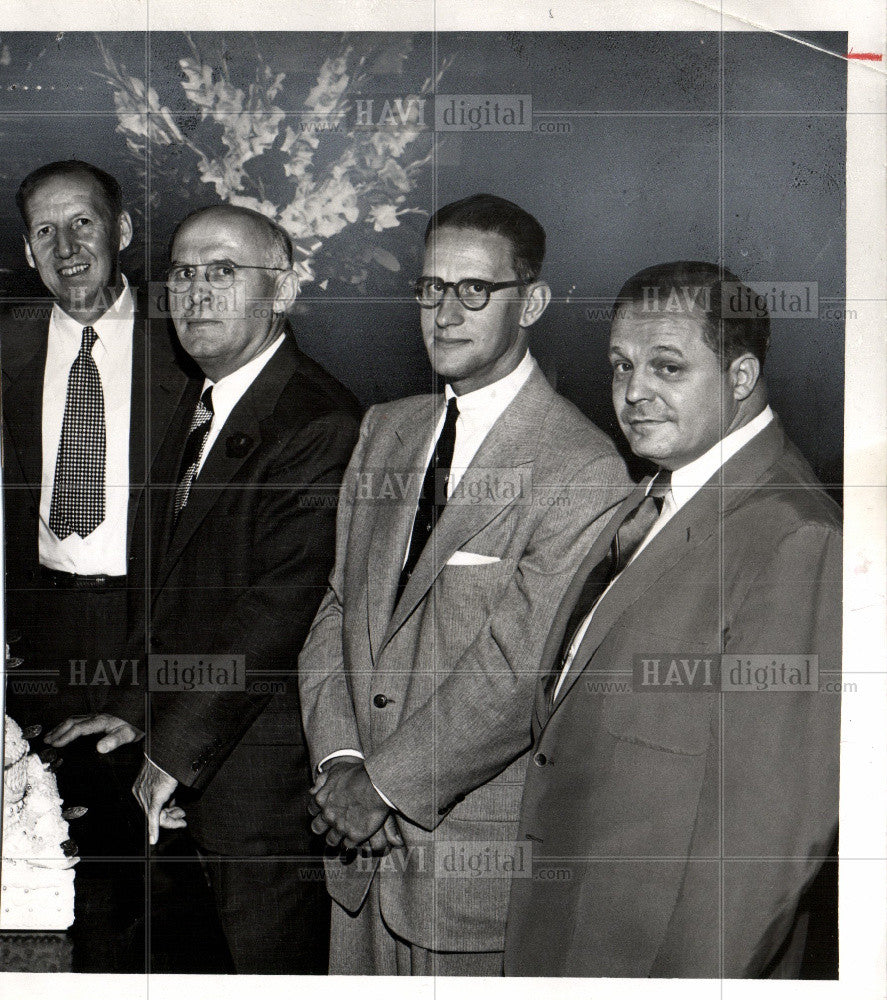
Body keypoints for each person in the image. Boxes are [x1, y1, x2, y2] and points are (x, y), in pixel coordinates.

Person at [298, 193, 631, 975]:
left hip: (464, 875)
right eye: (429, 288)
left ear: (533, 303)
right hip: (354, 859)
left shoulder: (581, 468)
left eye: (473, 290)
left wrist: (379, 788)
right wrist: (340, 761)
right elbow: (337, 609)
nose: (444, 312)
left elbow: (517, 675)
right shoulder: (385, 428)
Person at [45, 204, 361, 973]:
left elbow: (273, 615)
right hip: (191, 772)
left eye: (223, 272)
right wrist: (130, 709)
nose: (195, 293)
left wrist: (171, 752)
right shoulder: (198, 399)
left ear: (282, 290)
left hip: (259, 795)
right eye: (182, 273)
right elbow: (180, 597)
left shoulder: (318, 420)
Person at [504, 261, 841, 978]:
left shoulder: (794, 535)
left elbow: (764, 840)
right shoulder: (656, 497)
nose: (632, 393)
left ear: (741, 377)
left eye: (666, 367)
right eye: (621, 365)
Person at [2, 159, 189, 857]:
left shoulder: (186, 346)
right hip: (36, 633)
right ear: (26, 251)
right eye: (44, 231)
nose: (66, 248)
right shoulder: (8, 343)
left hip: (152, 626)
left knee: (153, 856)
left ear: (122, 230)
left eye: (82, 223)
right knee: (43, 847)